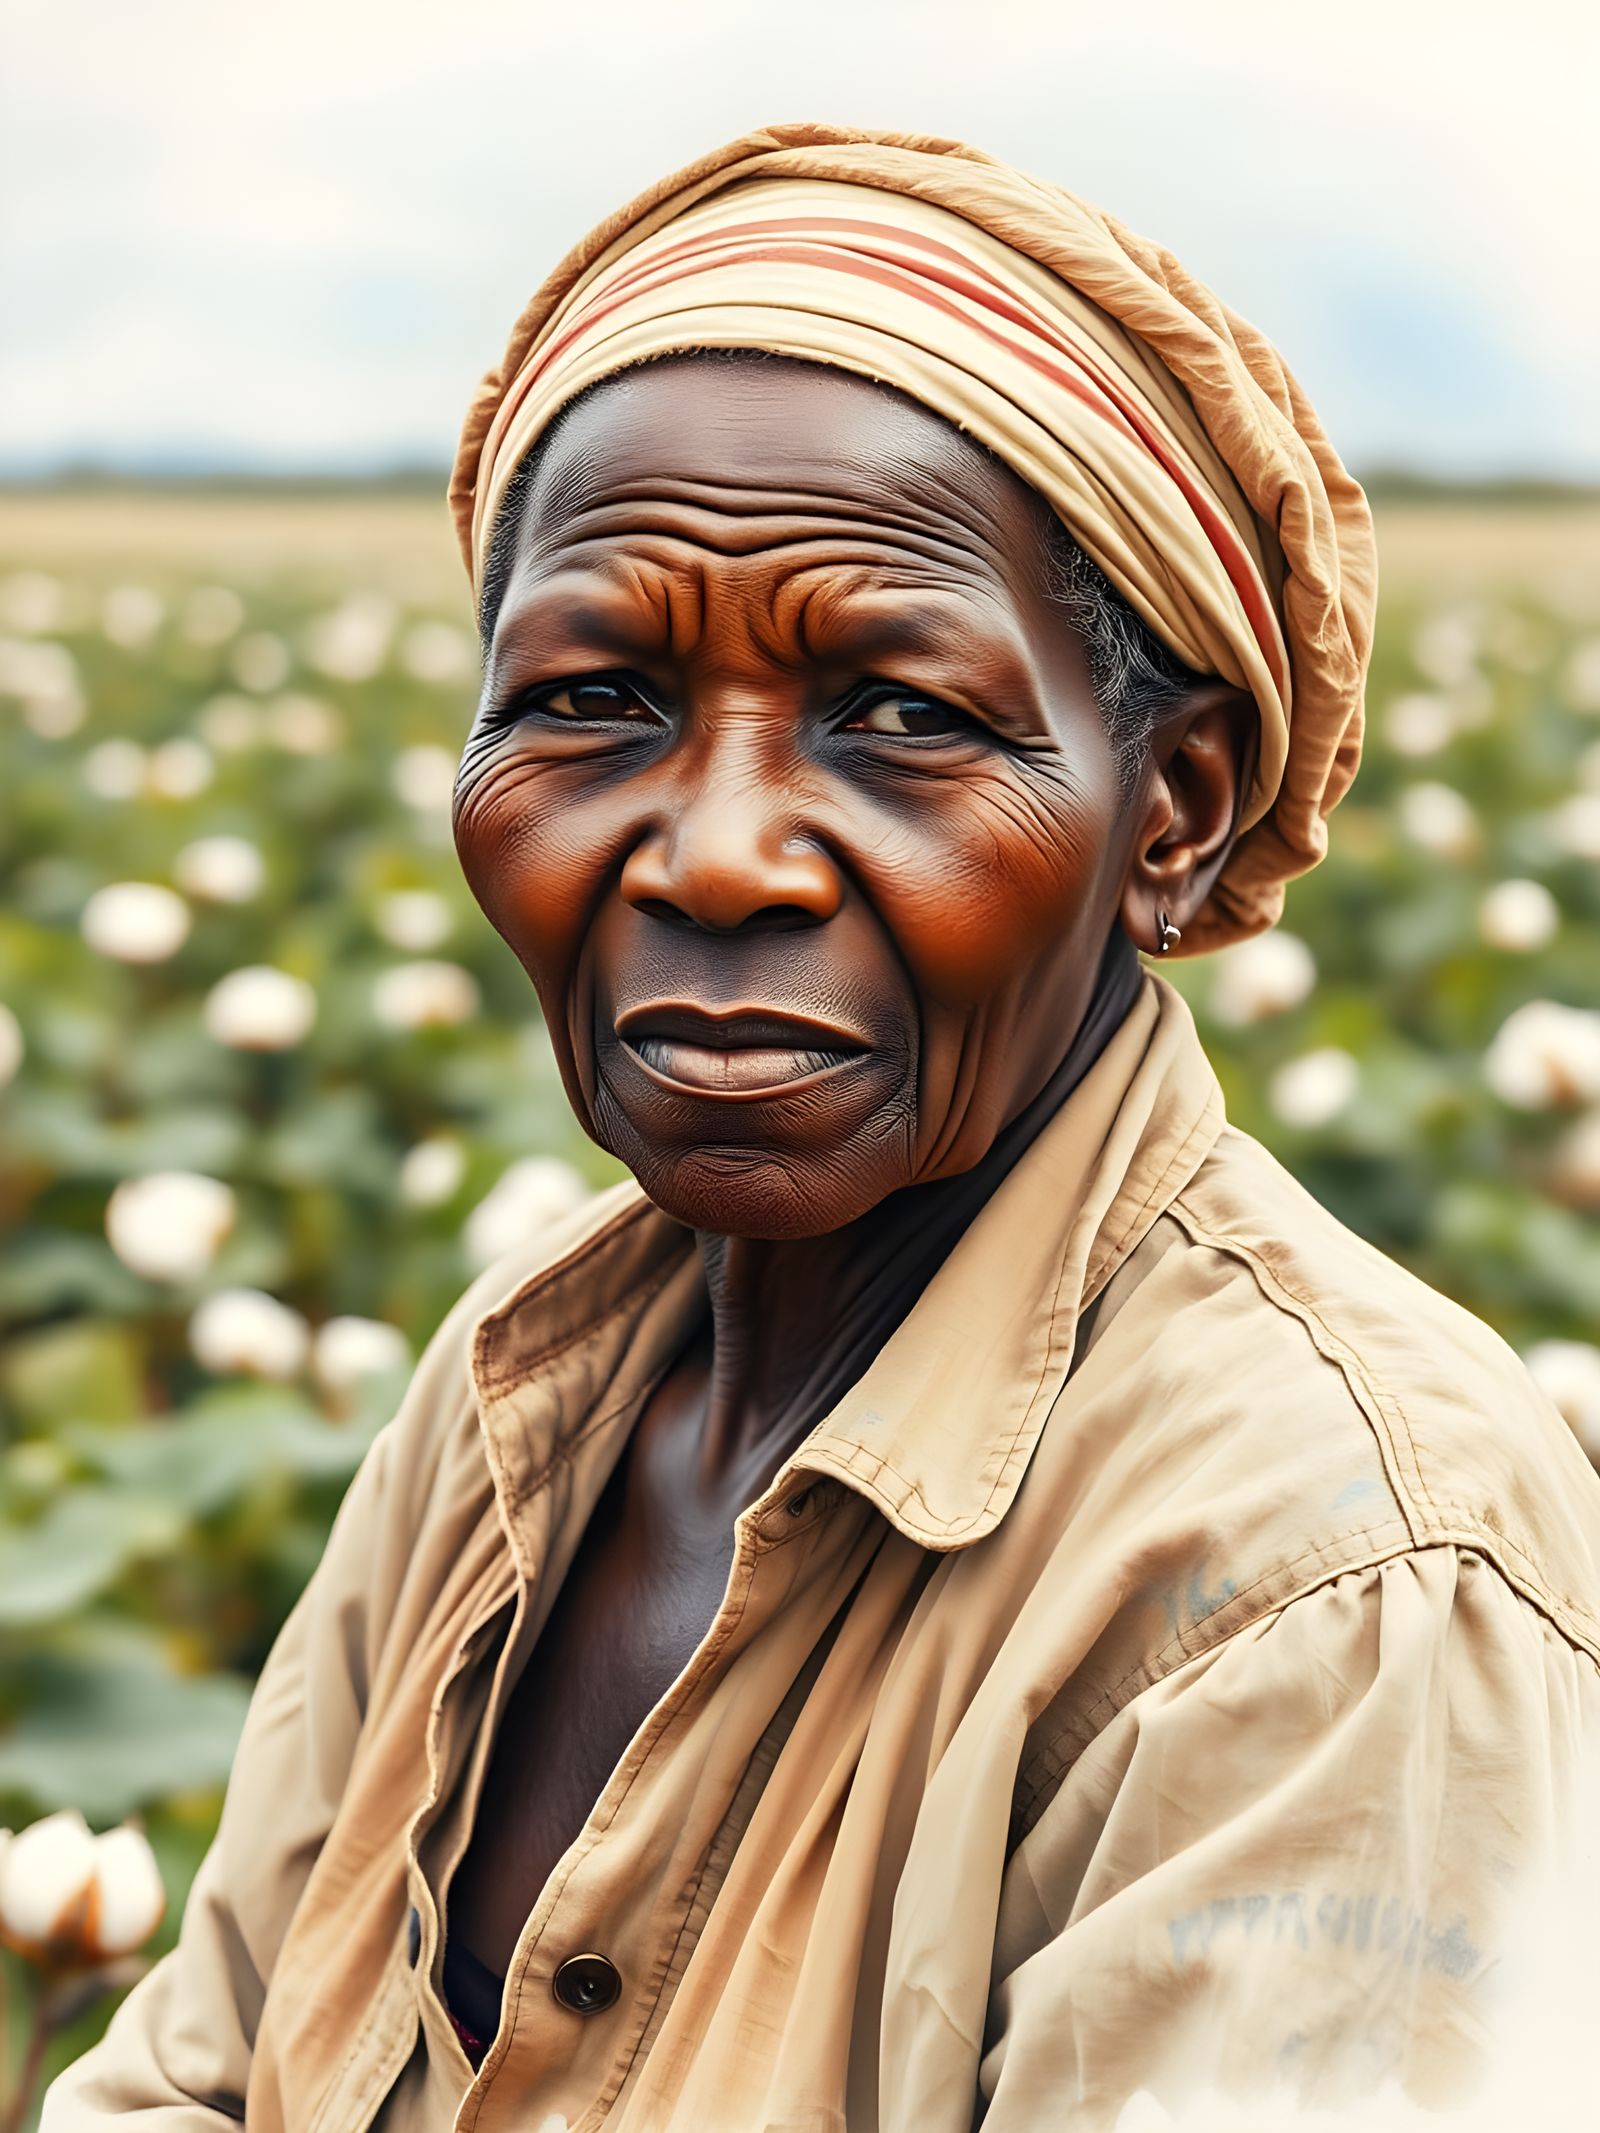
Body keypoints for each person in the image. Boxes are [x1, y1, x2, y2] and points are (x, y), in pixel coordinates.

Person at [45, 122, 1600, 2133]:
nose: (711, 854)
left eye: (899, 712)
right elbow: (193, 2073)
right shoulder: (516, 1395)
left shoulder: (1339, 1582)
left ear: (1171, 808)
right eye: (592, 698)